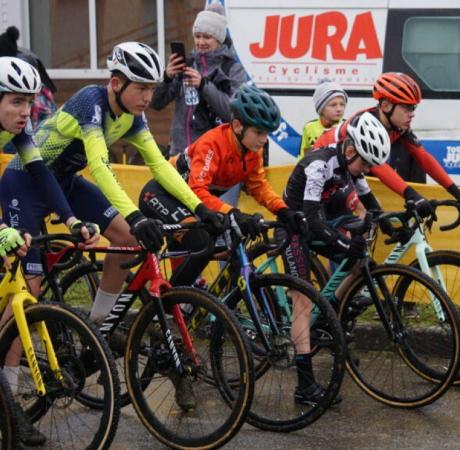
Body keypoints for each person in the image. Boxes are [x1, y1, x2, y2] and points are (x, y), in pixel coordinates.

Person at [0, 43, 223, 409]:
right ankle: (8, 392)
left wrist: (200, 206)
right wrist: (136, 214)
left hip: (64, 182)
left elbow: (160, 165)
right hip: (25, 184)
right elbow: (101, 166)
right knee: (30, 288)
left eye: (153, 88)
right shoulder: (92, 102)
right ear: (116, 83)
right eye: (141, 88)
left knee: (126, 240)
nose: (148, 97)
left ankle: (98, 325)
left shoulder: (134, 115)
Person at [0, 56, 104, 446]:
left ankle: (8, 408)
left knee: (19, 302)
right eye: (15, 102)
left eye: (29, 102)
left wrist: (72, 220)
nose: (25, 112)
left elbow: (42, 175)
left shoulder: (22, 132)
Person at [139, 84, 299, 289]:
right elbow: (197, 191)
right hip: (161, 194)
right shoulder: (213, 144)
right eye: (259, 132)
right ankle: (170, 302)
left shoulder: (252, 150)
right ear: (238, 126)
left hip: (191, 203)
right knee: (203, 245)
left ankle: (187, 300)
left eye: (267, 133)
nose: (264, 139)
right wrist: (232, 213)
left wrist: (283, 210)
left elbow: (258, 186)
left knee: (221, 244)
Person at [283, 111, 390, 405]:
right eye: (365, 163)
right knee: (302, 301)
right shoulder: (320, 164)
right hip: (294, 228)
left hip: (316, 225)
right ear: (351, 149)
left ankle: (329, 310)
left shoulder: (351, 164)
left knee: (360, 264)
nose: (366, 169)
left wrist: (390, 222)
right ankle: (304, 387)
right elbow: (311, 219)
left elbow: (370, 202)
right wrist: (344, 244)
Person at [315, 72, 460, 225]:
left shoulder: (398, 126)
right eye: (407, 107)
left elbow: (423, 158)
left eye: (413, 108)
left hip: (350, 175)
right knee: (359, 219)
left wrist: (459, 194)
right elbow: (379, 166)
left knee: (373, 220)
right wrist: (413, 196)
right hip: (324, 172)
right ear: (386, 106)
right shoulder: (363, 124)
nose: (412, 114)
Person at [151, 3, 246, 157]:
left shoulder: (232, 69)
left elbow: (233, 114)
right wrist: (167, 77)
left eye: (207, 37)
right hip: (179, 154)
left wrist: (204, 85)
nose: (201, 42)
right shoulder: (186, 64)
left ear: (219, 39)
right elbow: (155, 103)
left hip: (213, 156)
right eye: (197, 36)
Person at [298, 79, 347, 160]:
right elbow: (303, 156)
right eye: (333, 105)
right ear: (321, 109)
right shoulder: (309, 128)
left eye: (342, 104)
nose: (339, 109)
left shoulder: (347, 126)